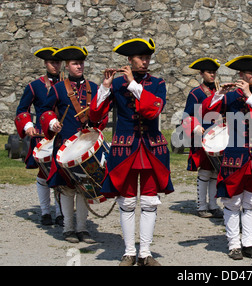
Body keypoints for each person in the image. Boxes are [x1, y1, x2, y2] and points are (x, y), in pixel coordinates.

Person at [90, 38, 174, 266]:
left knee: (149, 201)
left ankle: (145, 253)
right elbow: (96, 116)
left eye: (147, 58)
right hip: (124, 149)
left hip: (151, 149)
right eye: (141, 58)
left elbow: (154, 109)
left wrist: (133, 84)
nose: (145, 62)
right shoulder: (116, 85)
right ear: (129, 60)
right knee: (126, 202)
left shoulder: (158, 83)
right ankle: (128, 252)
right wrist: (105, 87)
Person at [202, 55, 252, 260]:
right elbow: (207, 112)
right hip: (235, 155)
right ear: (241, 75)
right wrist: (218, 95)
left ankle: (249, 244)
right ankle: (234, 244)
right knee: (233, 201)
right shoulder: (229, 96)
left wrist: (249, 96)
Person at [40, 46, 98, 244]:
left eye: (81, 63)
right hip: (65, 145)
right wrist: (51, 122)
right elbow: (45, 110)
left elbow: (101, 113)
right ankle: (67, 228)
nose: (79, 66)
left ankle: (82, 228)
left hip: (86, 147)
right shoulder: (57, 89)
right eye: (75, 63)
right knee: (66, 188)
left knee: (84, 188)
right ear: (67, 65)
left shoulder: (94, 87)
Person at [14, 47, 63, 226]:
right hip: (42, 136)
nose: (56, 66)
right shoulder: (34, 86)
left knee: (63, 174)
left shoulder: (67, 84)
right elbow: (22, 110)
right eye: (52, 62)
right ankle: (45, 212)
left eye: (58, 62)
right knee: (44, 173)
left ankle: (60, 212)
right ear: (45, 63)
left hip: (63, 134)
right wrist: (27, 126)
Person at [181, 58, 223, 218]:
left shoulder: (218, 91)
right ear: (201, 73)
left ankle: (213, 205)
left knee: (214, 172)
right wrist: (197, 127)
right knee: (205, 171)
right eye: (208, 72)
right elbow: (188, 116)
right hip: (202, 136)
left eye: (214, 72)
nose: (212, 75)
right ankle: (201, 206)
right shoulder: (196, 93)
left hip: (218, 136)